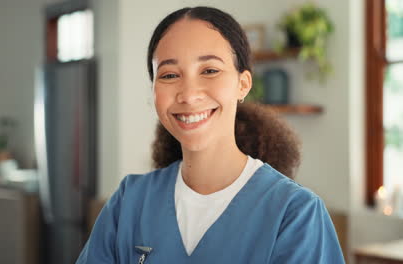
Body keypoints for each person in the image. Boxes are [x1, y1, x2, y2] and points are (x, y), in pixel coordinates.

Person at [76, 6, 345, 264]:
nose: (189, 94)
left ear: (243, 84)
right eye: (169, 75)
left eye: (210, 71)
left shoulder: (295, 214)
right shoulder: (129, 202)